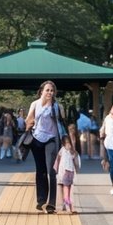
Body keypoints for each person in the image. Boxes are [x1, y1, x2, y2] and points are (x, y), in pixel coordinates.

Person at [24, 80, 68, 213]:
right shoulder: (35, 104)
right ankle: (41, 199)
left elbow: (62, 123)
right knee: (40, 170)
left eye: (52, 90)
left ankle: (52, 203)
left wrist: (66, 142)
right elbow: (28, 121)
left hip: (51, 139)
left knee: (51, 171)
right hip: (37, 139)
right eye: (47, 90)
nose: (50, 92)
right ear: (41, 91)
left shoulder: (56, 106)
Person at [54, 133, 81, 213]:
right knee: (66, 191)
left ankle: (69, 206)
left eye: (69, 143)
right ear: (63, 144)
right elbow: (58, 162)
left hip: (70, 173)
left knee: (69, 191)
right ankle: (67, 206)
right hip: (65, 174)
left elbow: (76, 161)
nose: (68, 145)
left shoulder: (71, 152)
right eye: (67, 143)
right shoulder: (63, 151)